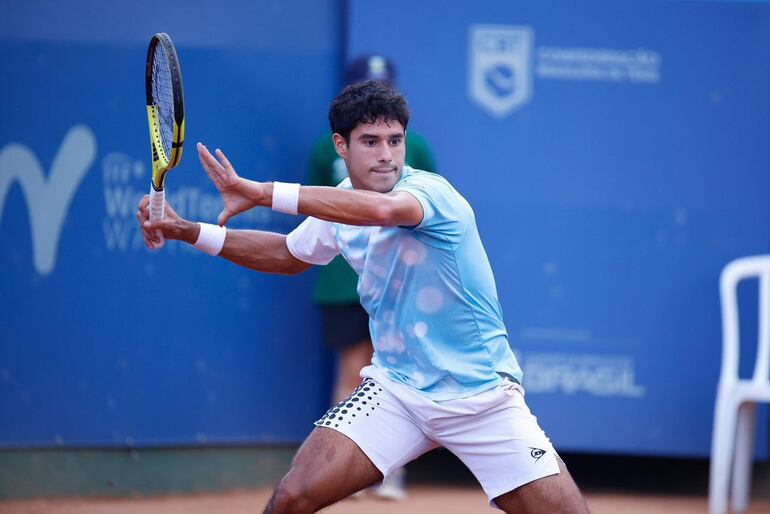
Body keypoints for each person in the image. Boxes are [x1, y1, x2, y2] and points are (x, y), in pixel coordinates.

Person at [136, 81, 589, 514]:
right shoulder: (339, 204)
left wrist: (264, 193)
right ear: (341, 145)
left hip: (481, 397)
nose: (386, 155)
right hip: (397, 391)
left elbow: (383, 211)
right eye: (370, 142)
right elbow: (288, 254)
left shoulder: (430, 194)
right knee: (293, 496)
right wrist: (188, 231)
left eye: (395, 140)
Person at [307, 54, 435, 501]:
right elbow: (315, 211)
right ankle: (340, 474)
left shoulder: (415, 148)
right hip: (342, 282)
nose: (385, 151)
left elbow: (415, 213)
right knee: (351, 373)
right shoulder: (324, 149)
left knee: (397, 377)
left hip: (398, 285)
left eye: (393, 141)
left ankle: (389, 471)